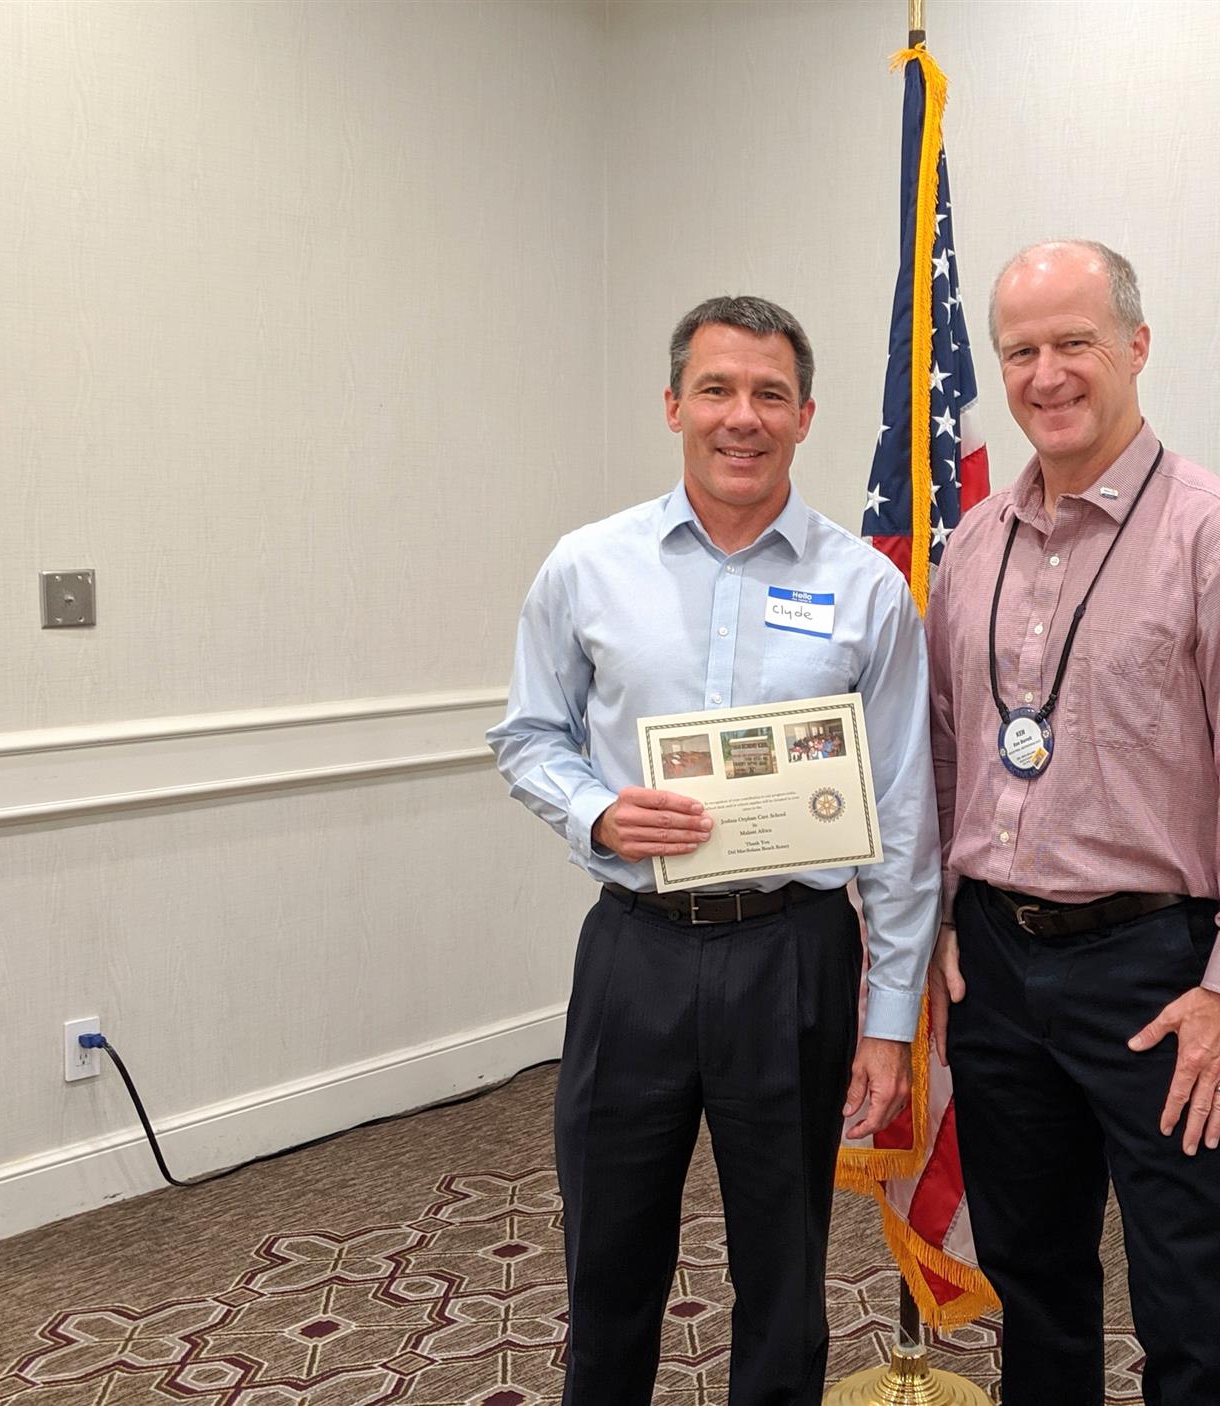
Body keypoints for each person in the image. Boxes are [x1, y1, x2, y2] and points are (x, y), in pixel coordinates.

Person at [488, 295, 940, 1406]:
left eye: (770, 395)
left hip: (795, 955)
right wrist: (597, 813)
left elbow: (901, 812)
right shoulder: (587, 566)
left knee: (783, 1271)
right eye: (718, 390)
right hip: (634, 951)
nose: (744, 417)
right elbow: (529, 736)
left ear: (805, 416)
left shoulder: (867, 589)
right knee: (608, 1258)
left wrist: (889, 1020)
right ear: (674, 405)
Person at [924, 241, 1220, 1404]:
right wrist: (938, 919)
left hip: (1155, 972)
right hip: (994, 965)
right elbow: (949, 745)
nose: (1046, 373)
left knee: (1190, 1293)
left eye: (1075, 342)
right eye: (1020, 351)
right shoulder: (974, 545)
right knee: (1032, 1273)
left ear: (1137, 346)